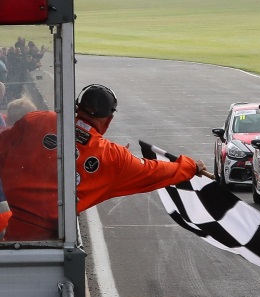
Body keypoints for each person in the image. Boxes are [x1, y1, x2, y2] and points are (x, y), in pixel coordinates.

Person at [0, 84, 207, 241]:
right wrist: (190, 166)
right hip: (52, 238)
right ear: (108, 120)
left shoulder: (37, 120)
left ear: (77, 107)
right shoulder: (114, 157)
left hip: (14, 227)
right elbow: (157, 171)